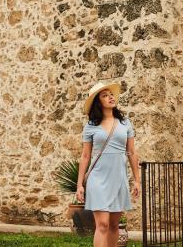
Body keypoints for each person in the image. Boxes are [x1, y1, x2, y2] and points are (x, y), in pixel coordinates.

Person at [76, 81, 140, 247]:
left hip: (118, 178)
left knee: (113, 225)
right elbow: (85, 156)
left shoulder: (125, 123)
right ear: (98, 102)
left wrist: (137, 180)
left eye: (111, 94)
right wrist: (79, 185)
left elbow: (132, 152)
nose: (110, 97)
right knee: (102, 224)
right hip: (98, 177)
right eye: (105, 95)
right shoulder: (90, 126)